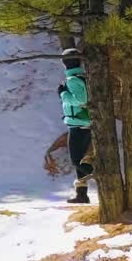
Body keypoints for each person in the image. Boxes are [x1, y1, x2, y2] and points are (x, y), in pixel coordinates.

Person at [58, 47, 93, 204]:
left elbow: (80, 100)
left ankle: (99, 174)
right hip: (80, 123)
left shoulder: (73, 80)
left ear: (65, 63)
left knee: (75, 161)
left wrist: (63, 94)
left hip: (79, 124)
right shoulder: (80, 77)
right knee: (80, 161)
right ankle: (82, 194)